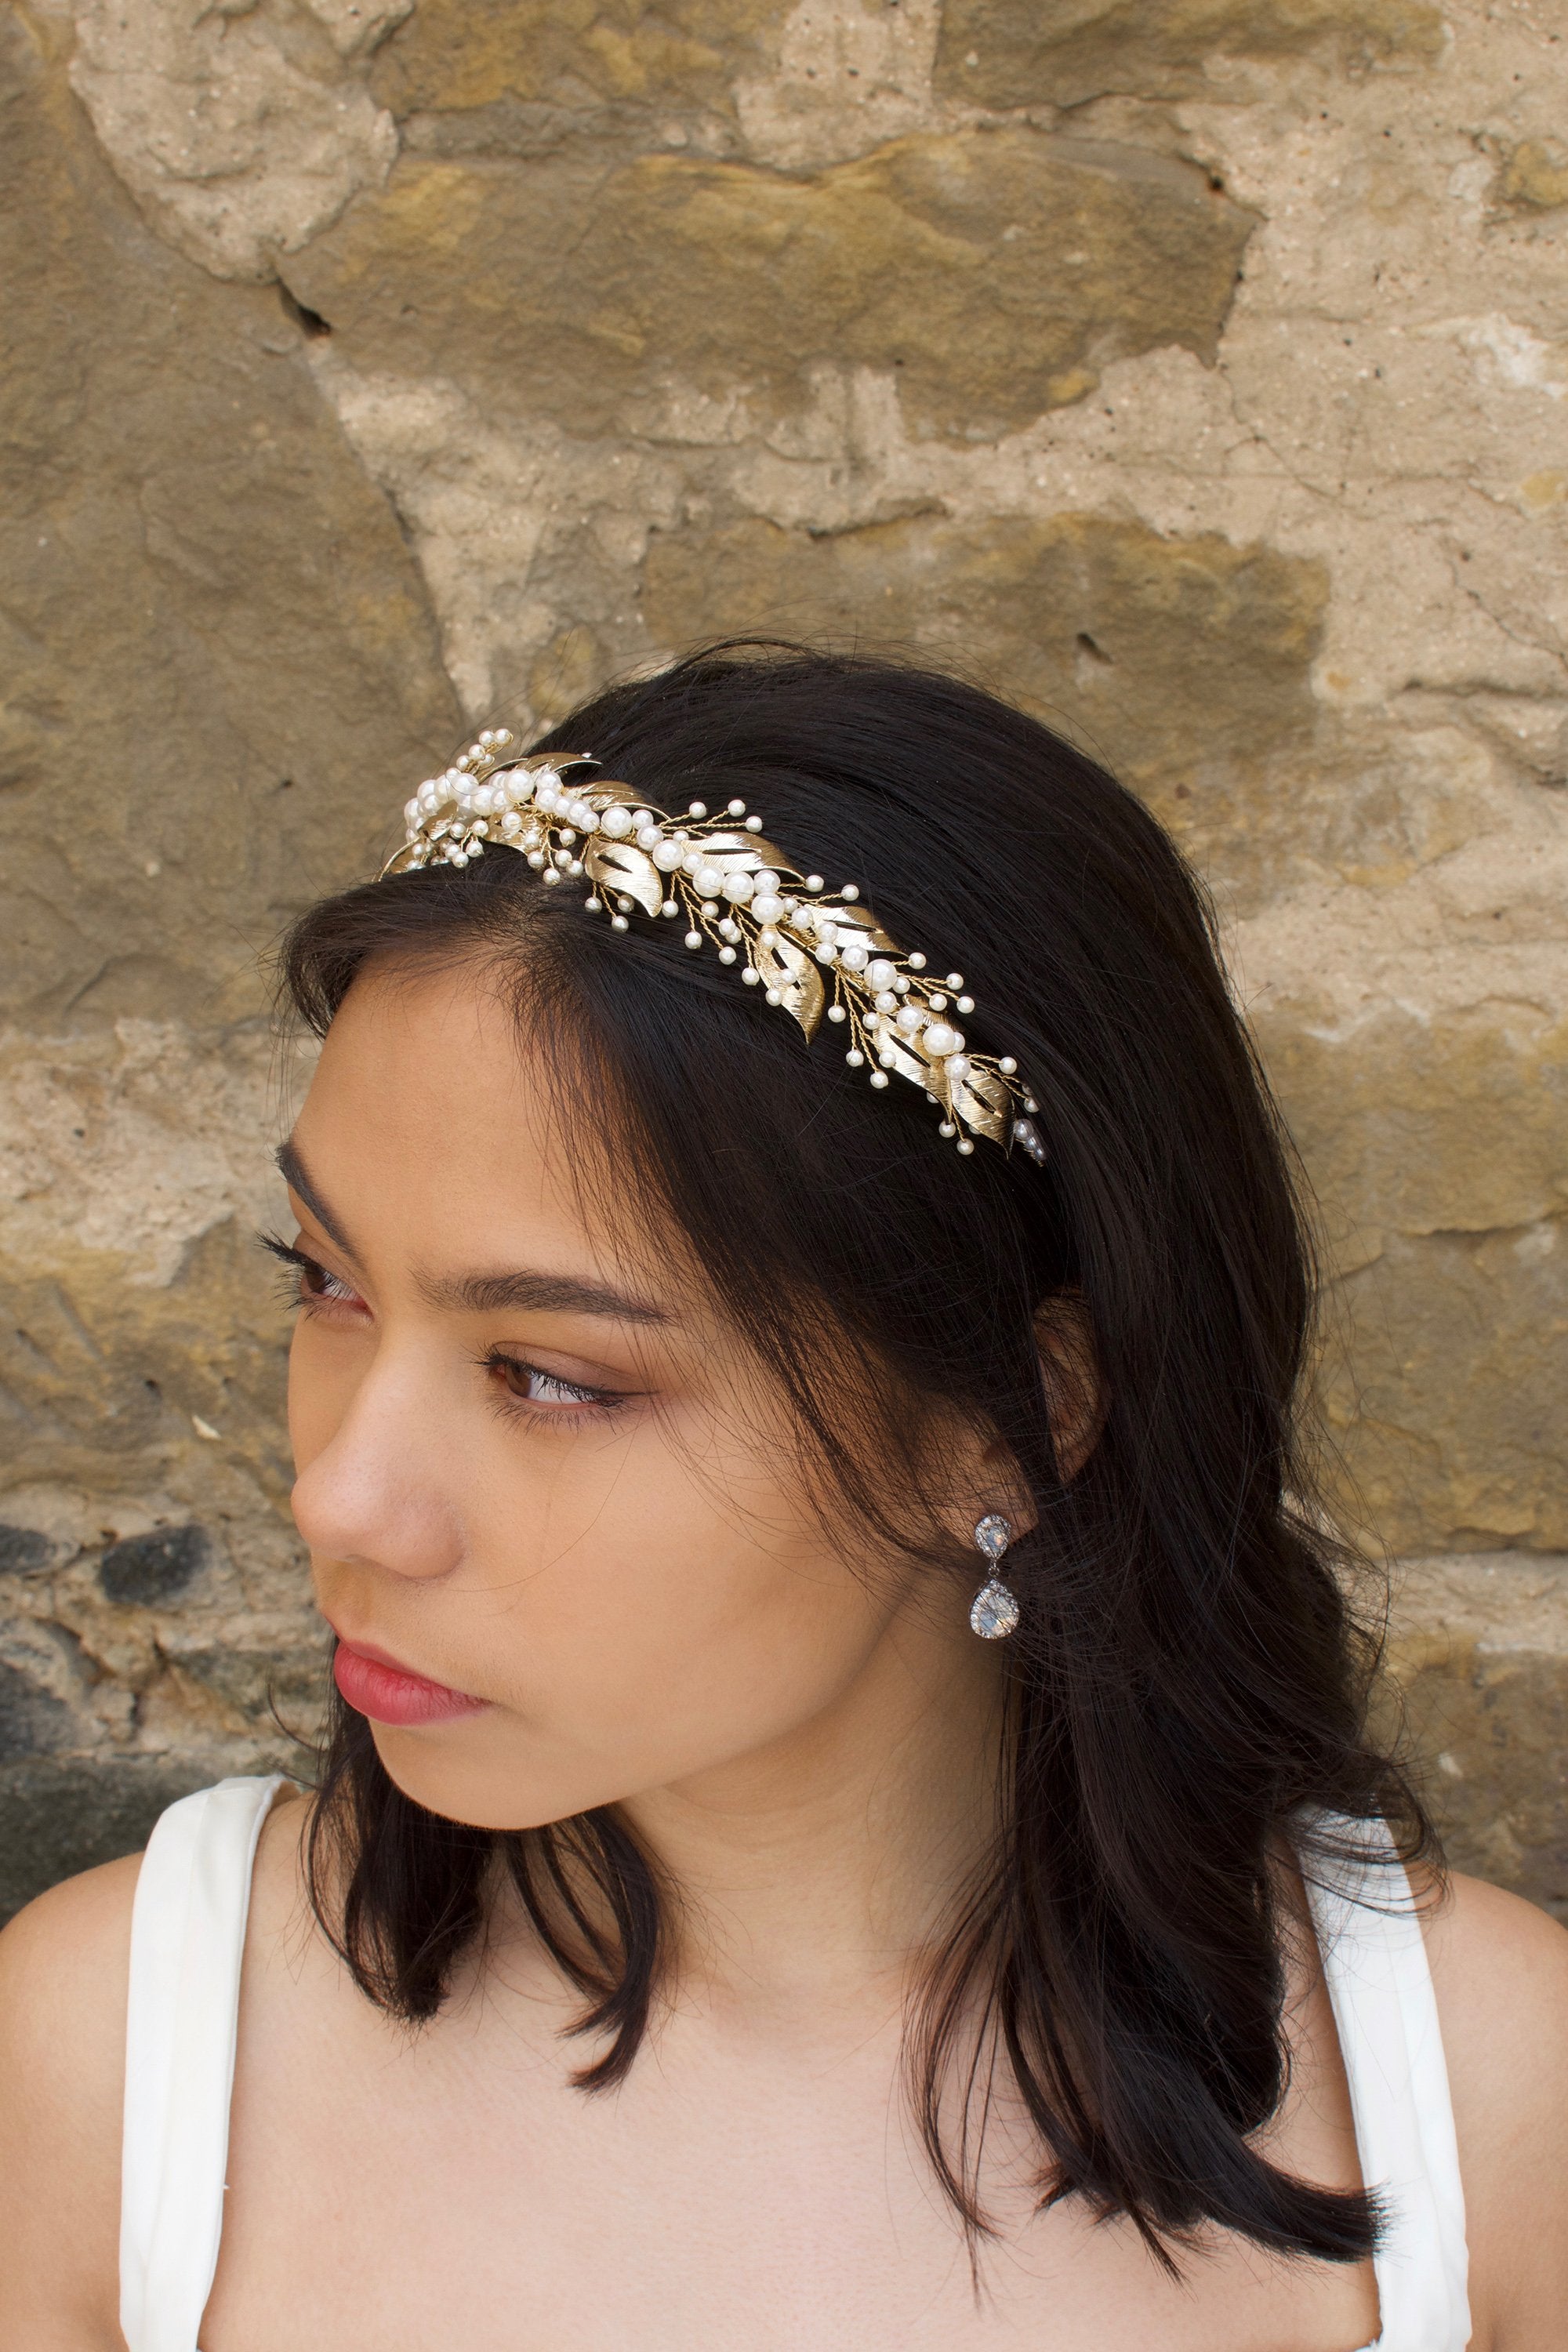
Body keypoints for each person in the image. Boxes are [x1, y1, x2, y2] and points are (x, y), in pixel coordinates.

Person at [2, 647, 1564, 2351]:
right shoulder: (110, 2080)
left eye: (551, 1376)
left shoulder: (1490, 2116)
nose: (342, 1499)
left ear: (1016, 1421)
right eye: (326, 1282)